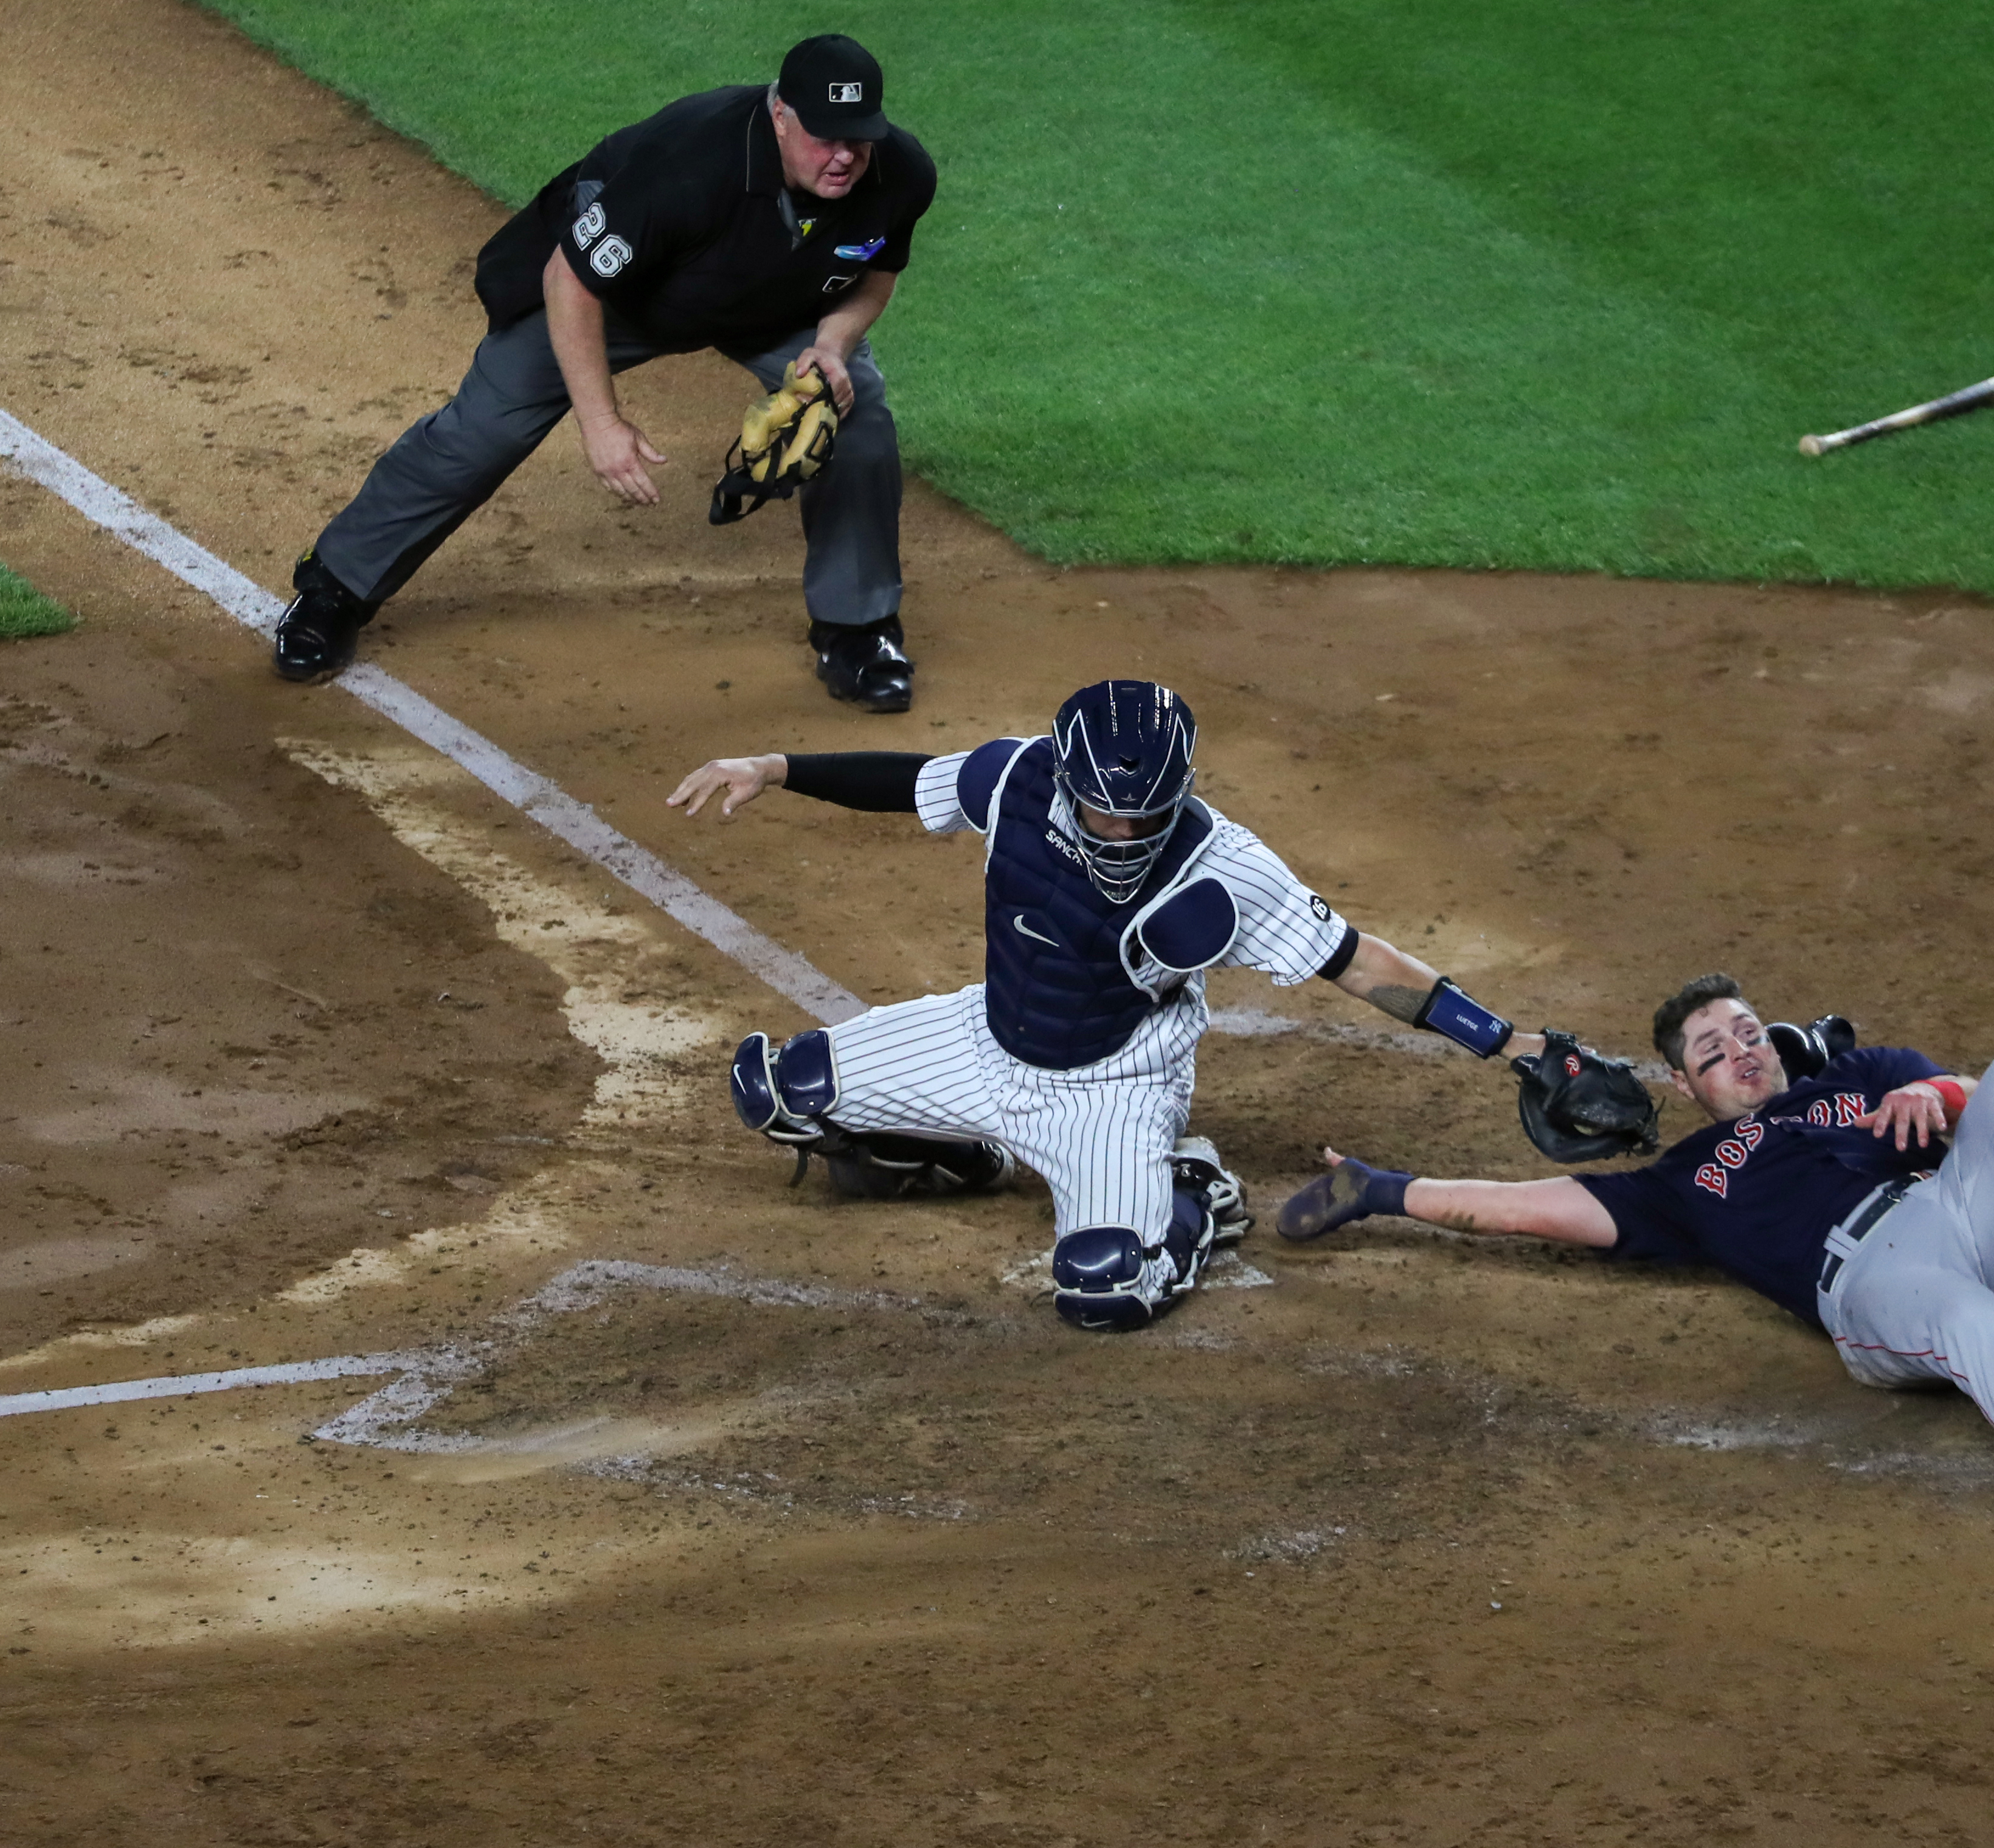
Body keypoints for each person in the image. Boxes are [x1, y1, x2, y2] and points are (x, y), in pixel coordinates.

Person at [666, 678, 1563, 1332]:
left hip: (1114, 1087)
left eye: (1149, 814)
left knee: (1104, 1289)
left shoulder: (1225, 869)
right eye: (1105, 815)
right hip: (986, 1044)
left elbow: (1360, 960)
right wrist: (774, 766)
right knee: (779, 1089)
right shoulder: (1017, 779)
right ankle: (960, 1156)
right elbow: (909, 782)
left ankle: (1191, 1194)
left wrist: (1509, 1040)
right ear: (1065, 782)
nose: (1126, 834)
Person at [1278, 973, 1994, 1534]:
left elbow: (1986, 1097)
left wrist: (1942, 1095)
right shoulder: (1686, 1178)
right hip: (1875, 1291)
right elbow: (1529, 1206)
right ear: (1682, 1084)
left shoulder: (1861, 1074)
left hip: (1964, 1213)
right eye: (1711, 1051)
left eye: (1747, 1031)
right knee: (1964, 1317)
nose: (1740, 1052)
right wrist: (1384, 1189)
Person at [275, 35, 935, 712]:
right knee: (485, 431)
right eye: (827, 136)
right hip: (617, 294)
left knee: (850, 411)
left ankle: (858, 632)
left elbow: (875, 271)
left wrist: (833, 342)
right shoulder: (690, 164)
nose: (846, 155)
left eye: (860, 137)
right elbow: (572, 280)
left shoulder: (901, 173)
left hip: (773, 299)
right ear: (780, 117)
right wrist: (601, 423)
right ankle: (335, 590)